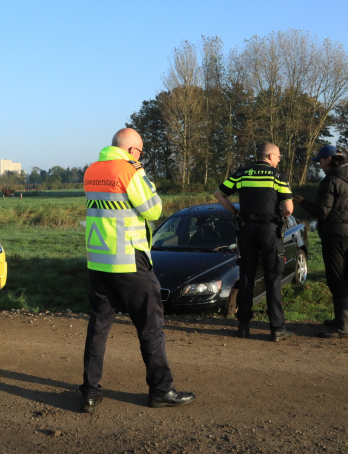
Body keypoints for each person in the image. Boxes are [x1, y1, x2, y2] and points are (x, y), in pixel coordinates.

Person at [80, 128, 195, 414]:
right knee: (150, 330)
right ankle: (161, 390)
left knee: (98, 330)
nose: (140, 157)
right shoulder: (130, 171)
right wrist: (141, 172)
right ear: (132, 150)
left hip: (98, 262)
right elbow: (153, 211)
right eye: (140, 153)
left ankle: (91, 393)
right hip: (129, 262)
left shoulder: (91, 171)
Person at [213, 142, 294, 342]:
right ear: (270, 156)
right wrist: (278, 215)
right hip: (270, 231)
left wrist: (236, 212)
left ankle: (243, 326)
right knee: (272, 279)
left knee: (247, 276)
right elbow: (289, 210)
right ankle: (277, 328)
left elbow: (219, 194)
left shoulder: (241, 174)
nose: (279, 160)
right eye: (278, 156)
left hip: (246, 231)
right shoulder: (278, 177)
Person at [293, 145, 348, 338]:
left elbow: (321, 211)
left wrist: (302, 202)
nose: (320, 165)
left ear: (329, 160)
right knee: (344, 276)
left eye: (321, 161)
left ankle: (342, 327)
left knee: (335, 278)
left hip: (335, 235)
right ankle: (343, 320)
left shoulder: (330, 181)